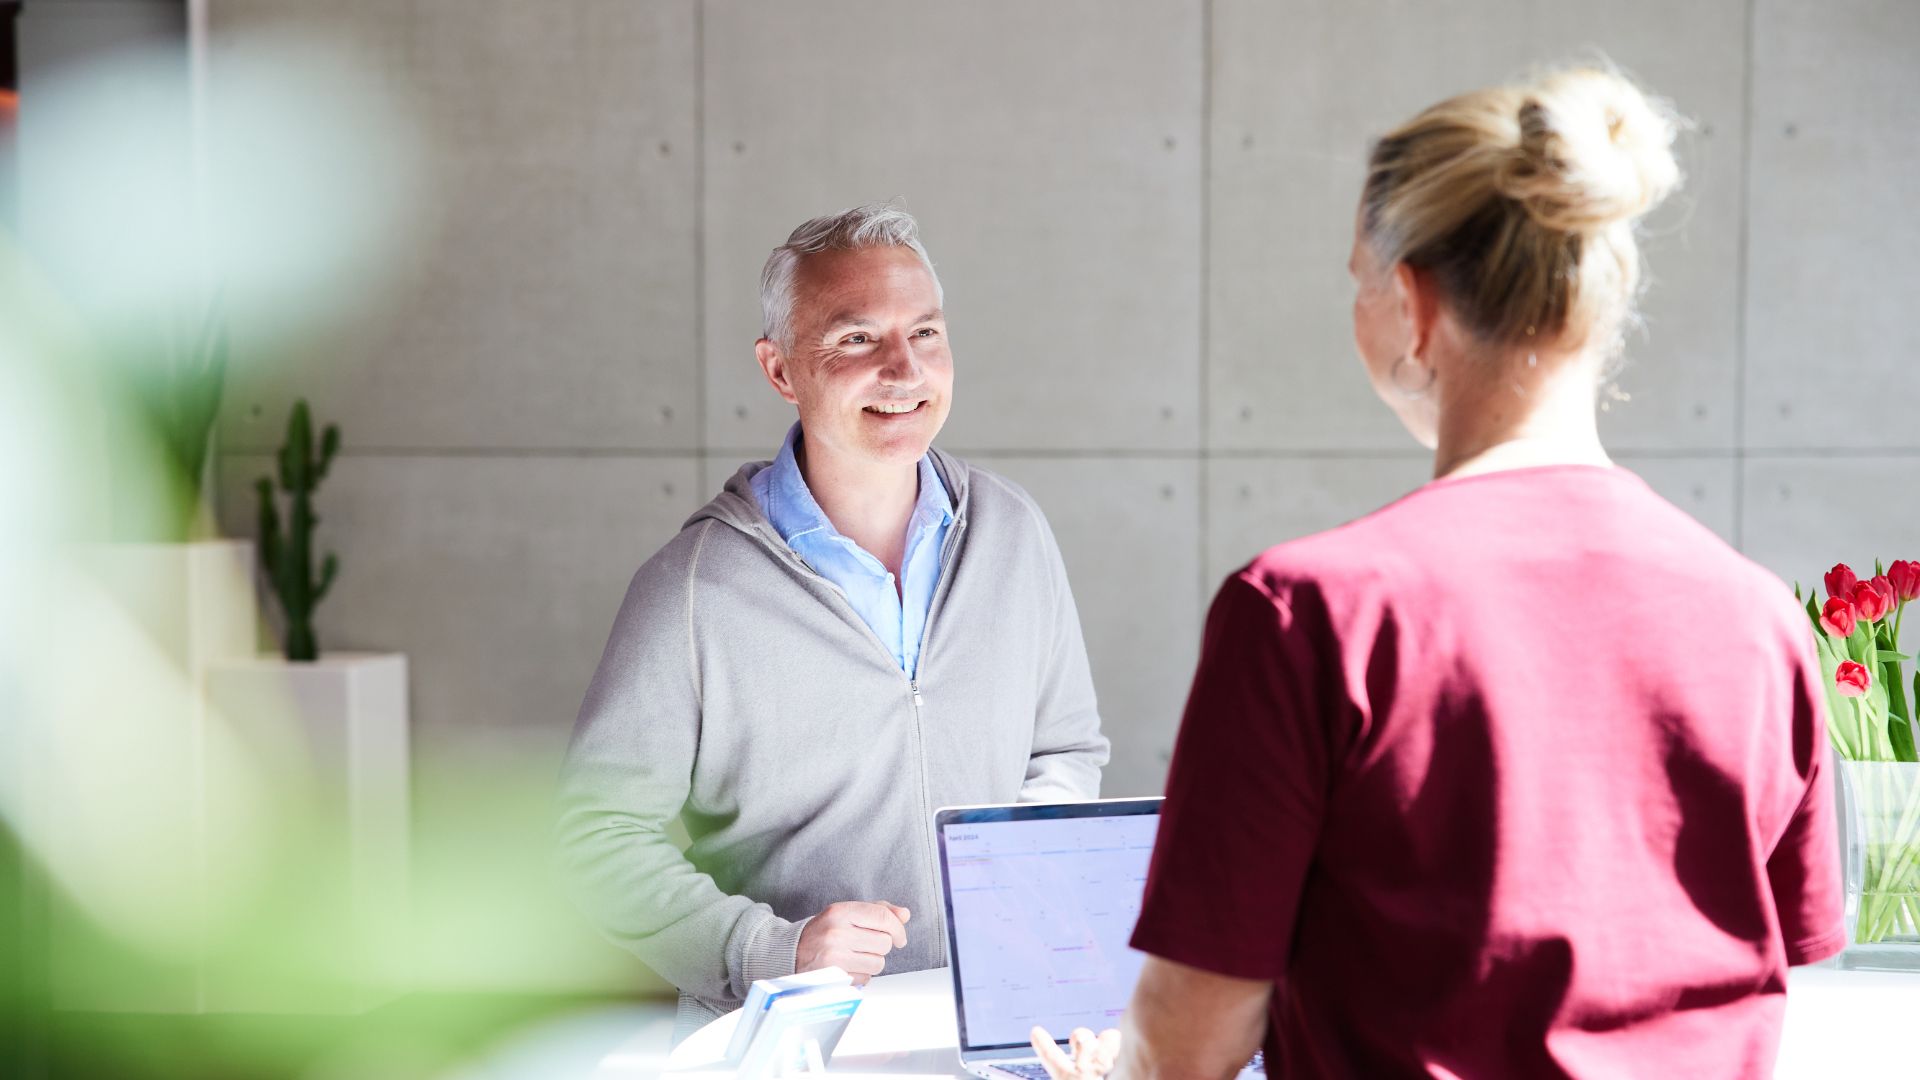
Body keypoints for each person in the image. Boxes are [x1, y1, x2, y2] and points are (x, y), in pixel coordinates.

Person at [1034, 67, 1844, 1079]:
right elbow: (1777, 967)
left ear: (1414, 306)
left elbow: (1191, 1043)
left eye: (1358, 282)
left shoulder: (1307, 614)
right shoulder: (1761, 620)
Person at [557, 204, 1109, 1031]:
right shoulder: (695, 587)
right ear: (781, 370)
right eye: (857, 339)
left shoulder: (1013, 530)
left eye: (925, 333)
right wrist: (768, 951)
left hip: (995, 1020)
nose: (903, 369)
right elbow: (596, 834)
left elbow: (1064, 748)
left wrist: (1018, 867)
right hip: (793, 1038)